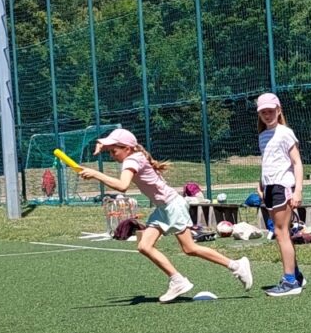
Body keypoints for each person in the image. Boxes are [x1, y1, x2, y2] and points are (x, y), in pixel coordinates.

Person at [77, 128, 253, 303]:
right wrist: (103, 144)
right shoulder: (134, 156)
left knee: (190, 249)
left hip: (173, 206)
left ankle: (237, 266)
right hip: (163, 208)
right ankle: (178, 280)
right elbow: (118, 159)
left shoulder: (132, 160)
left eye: (114, 151)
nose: (112, 155)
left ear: (127, 149)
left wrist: (96, 174)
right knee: (144, 246)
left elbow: (123, 186)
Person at [256, 92, 306, 297]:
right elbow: (268, 161)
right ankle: (295, 275)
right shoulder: (262, 135)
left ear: (278, 110)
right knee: (280, 233)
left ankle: (290, 281)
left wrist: (298, 190)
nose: (267, 115)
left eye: (270, 111)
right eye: (263, 112)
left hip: (282, 186)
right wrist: (260, 183)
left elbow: (297, 162)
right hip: (269, 187)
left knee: (281, 232)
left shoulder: (285, 132)